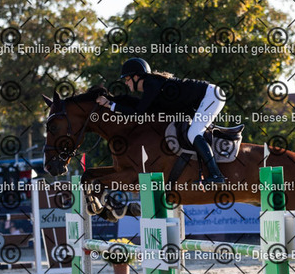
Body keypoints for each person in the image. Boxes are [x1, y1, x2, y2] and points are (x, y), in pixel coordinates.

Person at [96, 58, 226, 184]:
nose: (126, 83)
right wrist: (112, 100)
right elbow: (138, 105)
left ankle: (216, 175)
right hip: (206, 97)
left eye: (127, 79)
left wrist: (110, 105)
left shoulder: (152, 84)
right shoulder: (151, 85)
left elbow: (138, 113)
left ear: (136, 77)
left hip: (211, 96)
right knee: (193, 132)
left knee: (193, 133)